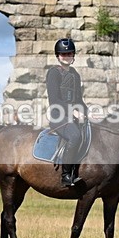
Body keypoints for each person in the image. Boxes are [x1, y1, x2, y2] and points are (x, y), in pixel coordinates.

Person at [46, 38, 87, 186]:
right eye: (63, 54)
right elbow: (54, 100)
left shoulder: (75, 75)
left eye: (69, 54)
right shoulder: (53, 73)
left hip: (74, 117)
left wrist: (88, 112)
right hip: (59, 117)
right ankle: (66, 176)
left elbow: (79, 100)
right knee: (75, 136)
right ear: (58, 56)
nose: (67, 56)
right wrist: (73, 112)